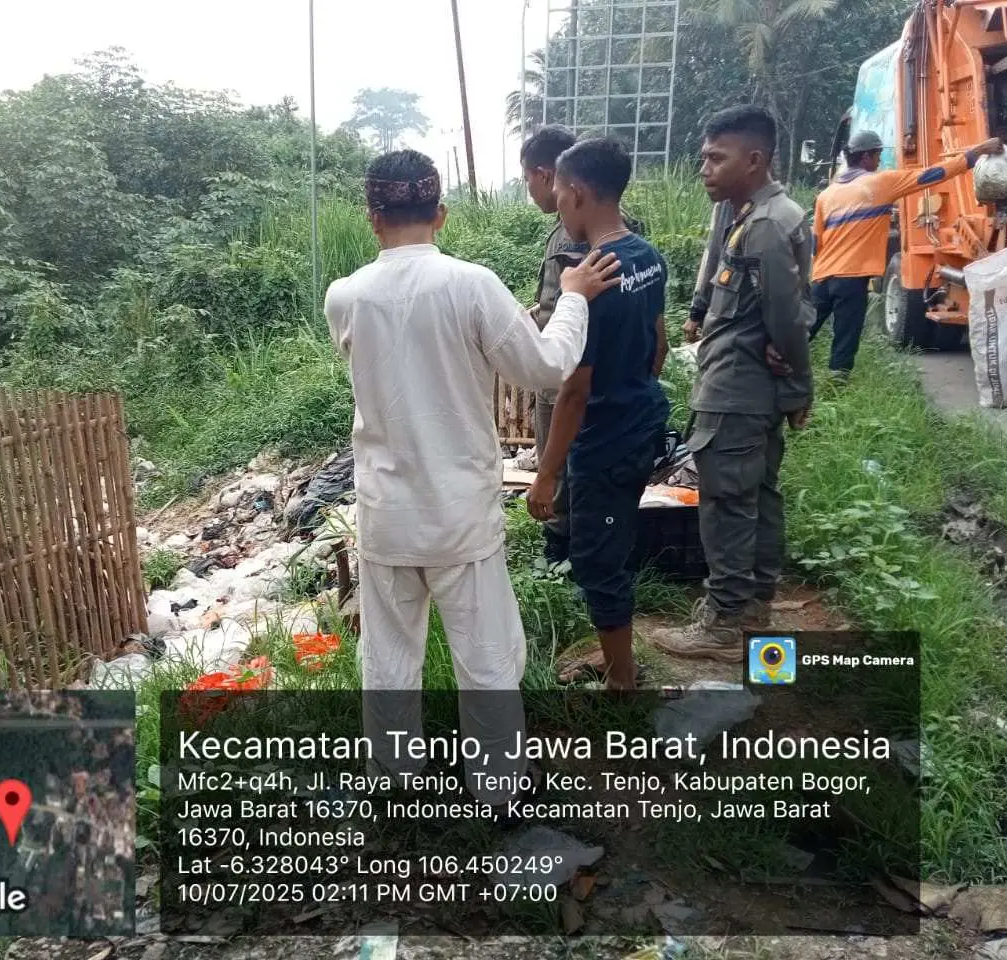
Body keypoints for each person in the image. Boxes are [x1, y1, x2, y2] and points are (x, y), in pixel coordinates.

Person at [323, 149, 623, 814]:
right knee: (486, 658)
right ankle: (497, 788)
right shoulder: (472, 285)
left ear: (373, 218)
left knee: (389, 657)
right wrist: (572, 300)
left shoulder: (343, 297)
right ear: (441, 213)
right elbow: (546, 368)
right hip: (459, 515)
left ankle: (395, 780)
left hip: (386, 513)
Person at [651, 105, 813, 662]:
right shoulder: (755, 212)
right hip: (747, 382)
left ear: (755, 159)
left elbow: (788, 316)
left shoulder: (766, 224)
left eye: (716, 158)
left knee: (725, 505)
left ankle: (724, 622)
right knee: (758, 496)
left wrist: (798, 389)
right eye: (703, 157)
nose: (704, 169)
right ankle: (753, 609)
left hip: (738, 389)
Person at [525, 137, 670, 691]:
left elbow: (575, 391)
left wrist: (546, 473)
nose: (558, 204)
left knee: (596, 562)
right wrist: (632, 390)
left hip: (606, 439)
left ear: (579, 192)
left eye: (560, 193)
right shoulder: (646, 256)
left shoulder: (593, 278)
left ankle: (622, 682)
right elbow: (656, 344)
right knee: (614, 542)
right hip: (643, 421)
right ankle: (616, 657)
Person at [808, 130, 1005, 382]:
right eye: (877, 155)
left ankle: (773, 368)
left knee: (804, 329)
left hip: (822, 276)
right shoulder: (879, 184)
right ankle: (837, 383)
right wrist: (976, 153)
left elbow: (815, 242)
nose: (879, 160)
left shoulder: (826, 195)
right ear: (866, 157)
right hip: (851, 276)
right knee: (846, 333)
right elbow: (933, 175)